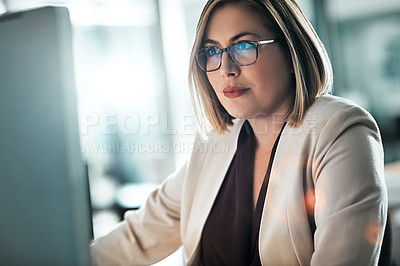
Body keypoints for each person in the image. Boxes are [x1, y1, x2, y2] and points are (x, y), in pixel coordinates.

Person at [90, 0, 388, 265]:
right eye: (211, 51)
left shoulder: (340, 131)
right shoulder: (215, 142)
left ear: (290, 46)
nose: (226, 69)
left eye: (244, 46)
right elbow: (137, 237)